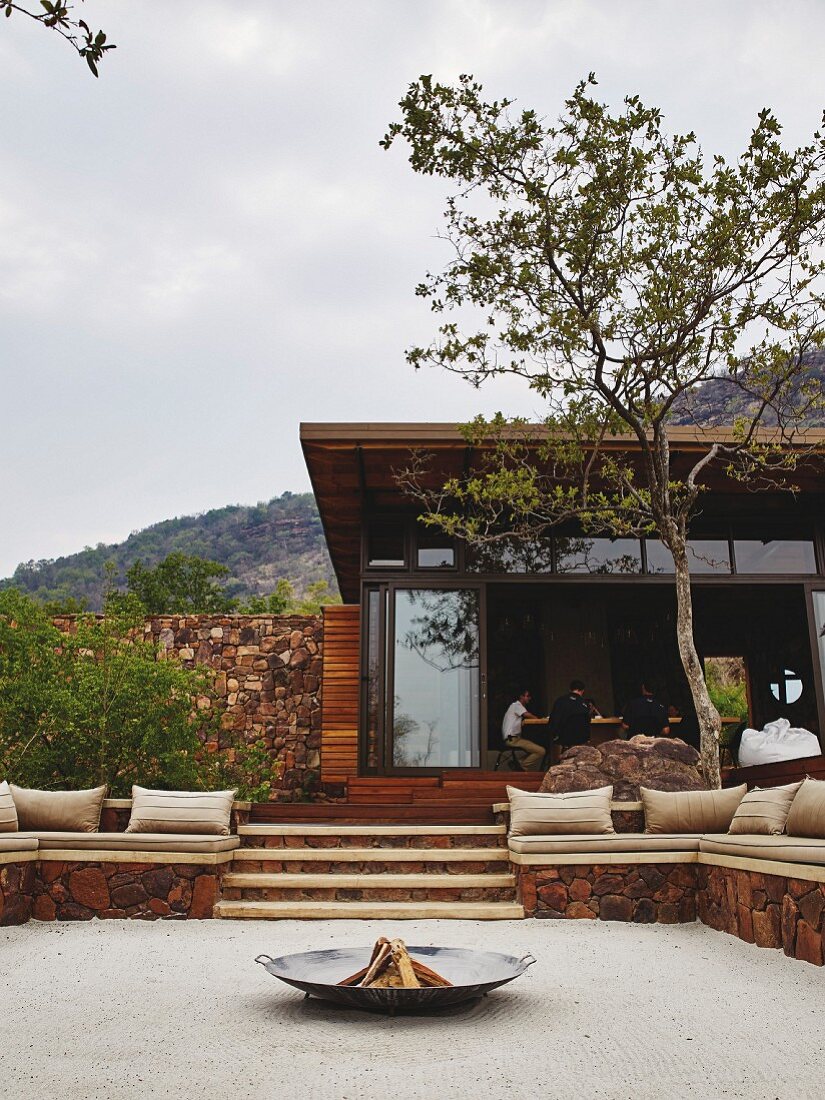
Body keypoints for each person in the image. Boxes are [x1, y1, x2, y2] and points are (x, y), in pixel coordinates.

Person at [501, 689, 545, 770]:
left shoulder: (513, 707)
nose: (529, 698)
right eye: (527, 696)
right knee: (541, 751)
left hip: (513, 738)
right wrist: (538, 719)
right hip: (512, 739)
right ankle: (521, 766)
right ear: (521, 697)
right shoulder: (516, 705)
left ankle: (518, 763)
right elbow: (528, 715)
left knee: (533, 748)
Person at [548, 679, 592, 748]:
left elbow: (553, 720)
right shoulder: (585, 703)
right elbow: (588, 721)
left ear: (570, 689)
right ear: (583, 691)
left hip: (564, 738)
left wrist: (554, 734)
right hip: (582, 739)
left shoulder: (560, 700)